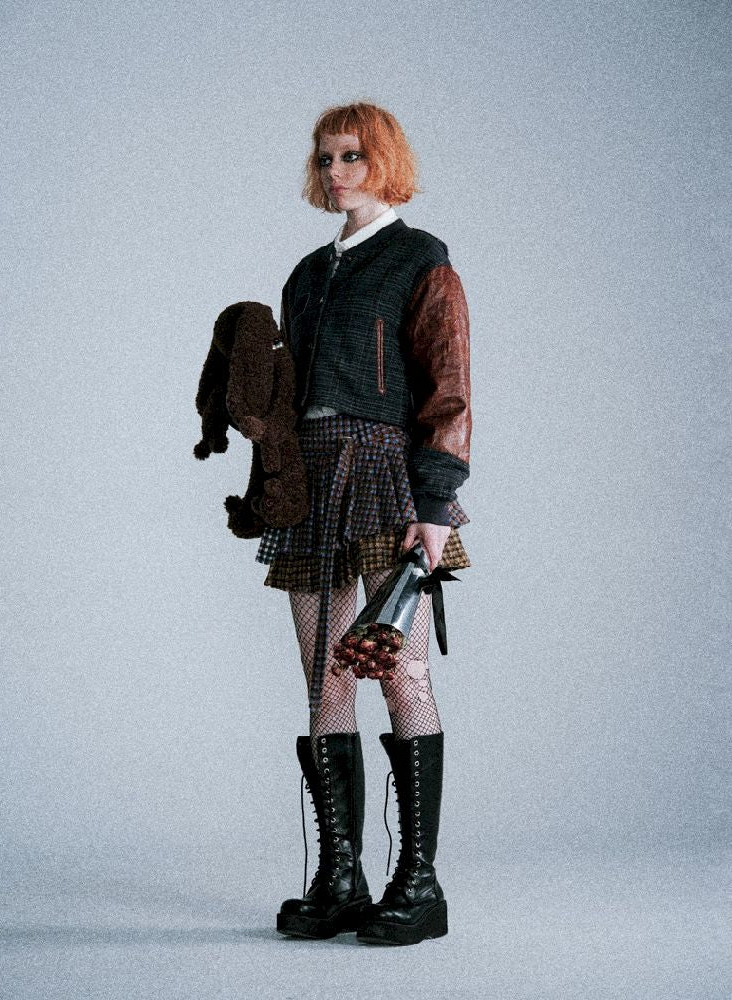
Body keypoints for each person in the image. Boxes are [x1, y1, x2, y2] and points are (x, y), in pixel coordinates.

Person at [259, 102, 472, 946]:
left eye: (352, 156)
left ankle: (419, 884)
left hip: (387, 476)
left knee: (401, 672)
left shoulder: (422, 261)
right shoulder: (307, 274)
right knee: (325, 678)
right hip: (310, 482)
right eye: (325, 159)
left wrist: (435, 504)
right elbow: (285, 397)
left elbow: (449, 391)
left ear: (383, 160)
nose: (337, 172)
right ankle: (341, 878)